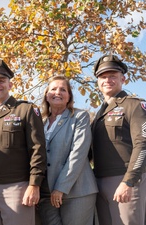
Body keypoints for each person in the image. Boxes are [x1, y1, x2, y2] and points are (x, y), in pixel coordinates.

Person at [0, 59, 47, 225]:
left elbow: (38, 149)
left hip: (18, 188)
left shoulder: (26, 110)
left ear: (10, 84)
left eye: (1, 80)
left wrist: (34, 184)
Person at [90, 54, 146, 225]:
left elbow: (142, 144)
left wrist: (129, 181)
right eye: (103, 77)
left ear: (123, 79)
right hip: (99, 183)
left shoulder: (134, 105)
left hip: (126, 181)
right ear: (98, 82)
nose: (107, 80)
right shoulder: (99, 114)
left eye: (112, 76)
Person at [37, 76, 98, 225]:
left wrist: (60, 188)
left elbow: (78, 154)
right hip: (45, 193)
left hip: (77, 192)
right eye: (53, 89)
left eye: (63, 89)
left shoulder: (79, 117)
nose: (57, 92)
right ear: (46, 95)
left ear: (69, 96)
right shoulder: (40, 122)